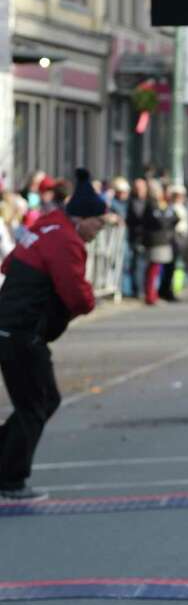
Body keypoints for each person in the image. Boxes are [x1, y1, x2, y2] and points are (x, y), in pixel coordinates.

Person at [0, 168, 106, 501]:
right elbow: (76, 294)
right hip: (22, 331)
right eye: (99, 223)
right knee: (37, 403)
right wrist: (86, 303)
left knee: (36, 401)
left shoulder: (46, 225)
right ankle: (11, 480)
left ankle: (6, 466)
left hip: (12, 325)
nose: (100, 231)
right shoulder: (65, 240)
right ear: (84, 218)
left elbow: (8, 266)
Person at [142, 180, 179, 306]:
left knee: (157, 270)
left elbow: (174, 217)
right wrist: (168, 218)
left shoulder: (160, 204)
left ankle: (154, 294)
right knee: (153, 270)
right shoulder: (152, 204)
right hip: (155, 241)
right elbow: (161, 222)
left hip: (162, 240)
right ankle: (150, 296)